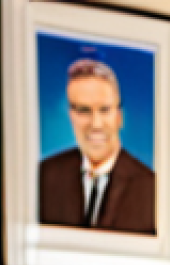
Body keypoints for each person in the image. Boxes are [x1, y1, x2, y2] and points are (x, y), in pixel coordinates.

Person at [39, 59, 156, 236]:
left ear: (119, 116)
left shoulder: (150, 188)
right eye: (84, 110)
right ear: (71, 117)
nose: (95, 124)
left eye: (104, 110)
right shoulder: (45, 175)